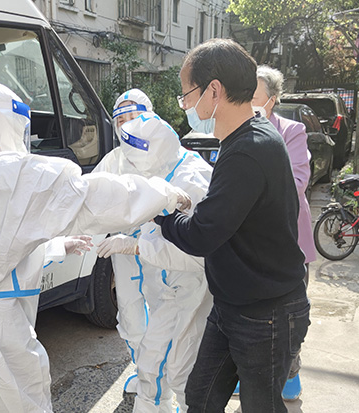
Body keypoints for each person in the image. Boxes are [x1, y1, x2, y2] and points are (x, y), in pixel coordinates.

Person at [0, 78, 191, 413]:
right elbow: (92, 198)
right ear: (9, 123)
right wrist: (165, 194)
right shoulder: (12, 172)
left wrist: (57, 248)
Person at [154, 39, 310, 413]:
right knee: (201, 398)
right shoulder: (249, 134)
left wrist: (160, 211)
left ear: (213, 91)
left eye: (186, 95)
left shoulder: (247, 150)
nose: (185, 106)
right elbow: (227, 214)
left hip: (265, 314)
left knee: (260, 407)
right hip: (233, 304)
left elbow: (201, 235)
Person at [95, 113, 213, 412]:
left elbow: (199, 254)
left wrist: (136, 246)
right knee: (152, 362)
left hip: (195, 289)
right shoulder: (163, 166)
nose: (131, 167)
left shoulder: (193, 180)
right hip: (171, 286)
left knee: (184, 372)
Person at [250, 64, 316, 400]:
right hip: (250, 244)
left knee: (289, 316)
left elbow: (297, 182)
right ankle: (250, 372)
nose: (248, 101)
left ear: (272, 99)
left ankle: (290, 373)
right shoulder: (235, 130)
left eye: (255, 95)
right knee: (252, 315)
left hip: (289, 241)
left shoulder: (291, 131)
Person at [92, 88, 154, 394]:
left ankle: (167, 381)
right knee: (130, 314)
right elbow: (89, 196)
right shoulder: (112, 161)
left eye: (133, 117)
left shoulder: (164, 155)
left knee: (166, 314)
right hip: (123, 250)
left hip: (160, 250)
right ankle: (144, 373)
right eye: (121, 120)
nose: (127, 125)